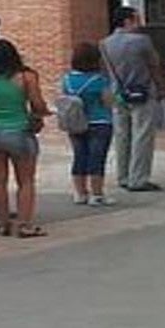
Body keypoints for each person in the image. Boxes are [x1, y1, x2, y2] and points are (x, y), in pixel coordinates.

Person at [0, 39, 50, 237]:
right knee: (26, 181)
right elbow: (37, 104)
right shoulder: (25, 76)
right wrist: (41, 114)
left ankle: (4, 223)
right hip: (18, 130)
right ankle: (24, 224)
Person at [101, 7, 162, 192]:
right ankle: (139, 178)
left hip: (118, 92)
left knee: (121, 135)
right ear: (129, 20)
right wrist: (161, 87)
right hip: (142, 91)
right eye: (137, 18)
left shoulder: (105, 43)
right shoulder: (142, 41)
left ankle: (123, 176)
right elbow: (154, 65)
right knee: (142, 135)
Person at [61, 42, 115, 206]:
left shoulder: (67, 79)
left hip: (76, 123)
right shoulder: (100, 80)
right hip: (100, 122)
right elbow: (108, 102)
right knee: (97, 158)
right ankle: (97, 194)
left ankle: (80, 193)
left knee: (79, 157)